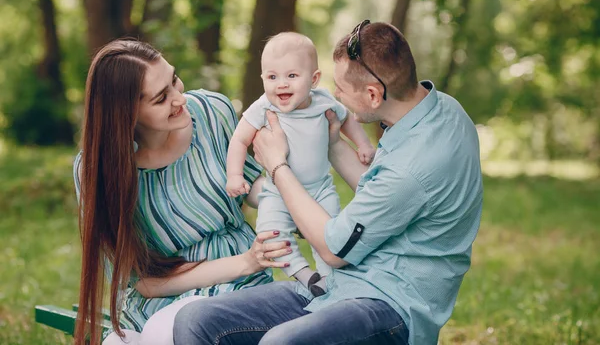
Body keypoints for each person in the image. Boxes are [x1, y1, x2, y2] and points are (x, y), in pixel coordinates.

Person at [172, 21, 483, 345]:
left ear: (374, 95)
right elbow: (382, 190)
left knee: (281, 342)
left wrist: (276, 164)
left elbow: (334, 248)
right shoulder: (439, 110)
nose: (334, 95)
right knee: (196, 321)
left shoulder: (415, 168)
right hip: (341, 282)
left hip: (389, 305)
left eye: (342, 89)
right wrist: (333, 143)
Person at [73, 39, 289, 345]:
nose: (180, 98)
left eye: (174, 80)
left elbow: (248, 183)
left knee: (170, 330)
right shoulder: (97, 171)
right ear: (126, 115)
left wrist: (286, 196)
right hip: (163, 293)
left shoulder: (214, 112)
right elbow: (144, 282)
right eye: (161, 98)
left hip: (238, 286)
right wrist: (247, 260)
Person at [225, 32, 375, 296]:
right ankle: (305, 275)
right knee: (270, 236)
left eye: (291, 76)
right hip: (276, 193)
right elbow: (239, 140)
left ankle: (331, 281)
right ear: (263, 79)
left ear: (314, 79)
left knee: (331, 236)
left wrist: (362, 144)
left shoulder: (323, 101)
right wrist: (235, 175)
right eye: (272, 77)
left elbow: (346, 121)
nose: (281, 84)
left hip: (320, 189)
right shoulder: (262, 108)